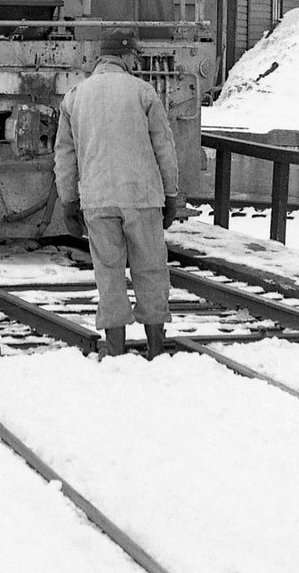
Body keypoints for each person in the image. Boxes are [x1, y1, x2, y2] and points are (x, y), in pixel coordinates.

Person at [54, 28, 182, 358]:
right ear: (124, 56)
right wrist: (172, 195)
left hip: (97, 199)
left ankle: (115, 351)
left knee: (109, 274)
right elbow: (164, 149)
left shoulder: (75, 96)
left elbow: (65, 157)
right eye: (134, 56)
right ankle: (156, 348)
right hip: (141, 197)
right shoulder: (143, 93)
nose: (136, 61)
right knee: (151, 270)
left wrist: (68, 202)